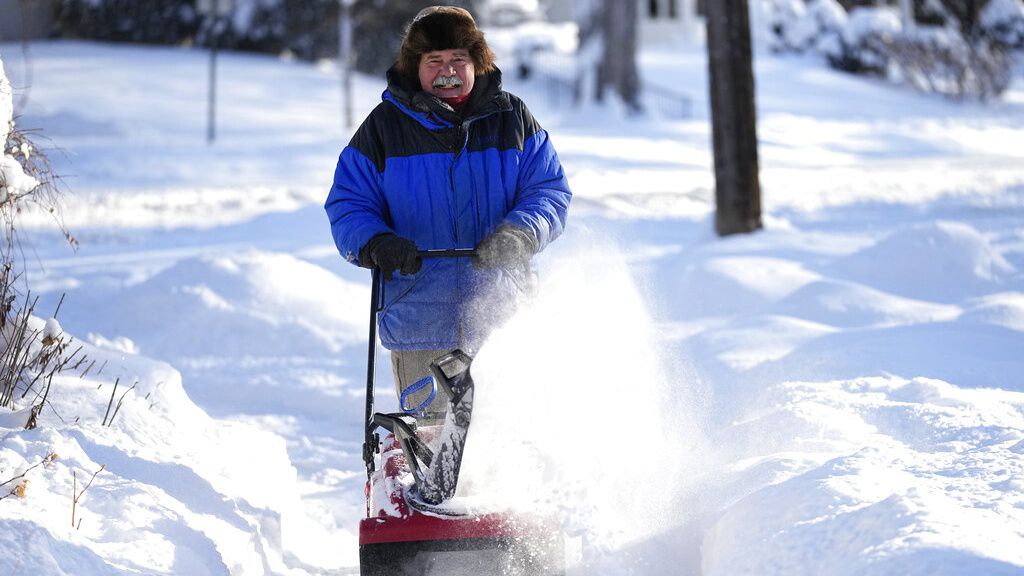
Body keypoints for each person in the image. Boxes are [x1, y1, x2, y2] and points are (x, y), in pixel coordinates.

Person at [325, 6, 571, 424]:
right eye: (433, 61)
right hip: (417, 312)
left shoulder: (514, 119)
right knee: (429, 437)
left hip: (501, 309)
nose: (448, 71)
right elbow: (349, 202)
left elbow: (547, 190)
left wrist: (520, 234)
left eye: (458, 59)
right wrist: (377, 242)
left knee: (503, 432)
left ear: (477, 61)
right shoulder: (383, 128)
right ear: (414, 67)